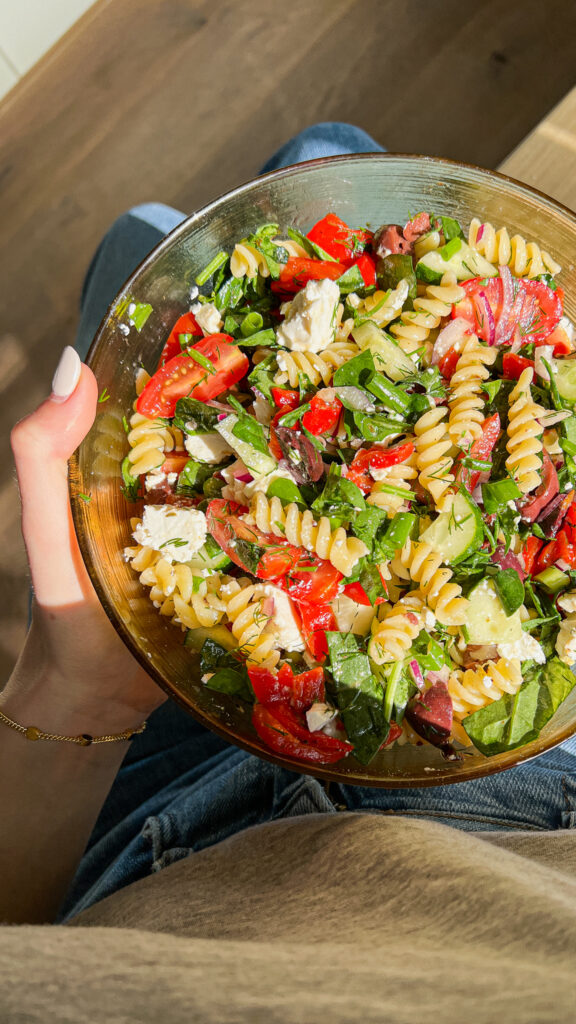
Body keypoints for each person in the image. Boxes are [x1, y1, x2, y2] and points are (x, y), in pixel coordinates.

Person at [1, 124, 576, 1023]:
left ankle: (181, 214)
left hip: (142, 804)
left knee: (156, 228)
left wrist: (73, 695)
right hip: (519, 794)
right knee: (318, 155)